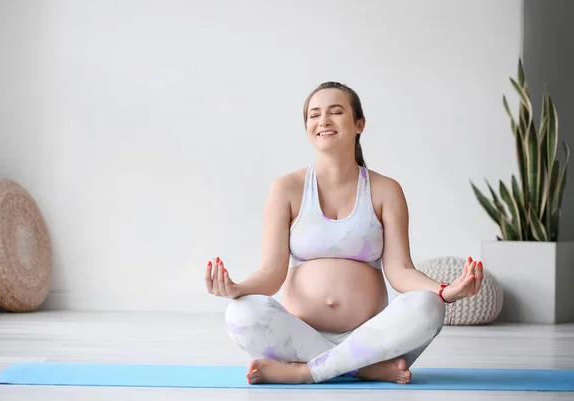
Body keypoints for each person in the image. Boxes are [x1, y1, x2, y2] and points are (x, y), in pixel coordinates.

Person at [204, 81, 484, 385]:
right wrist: (236, 288)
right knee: (240, 313)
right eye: (314, 115)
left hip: (372, 338)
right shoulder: (286, 189)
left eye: (335, 112)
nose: (323, 120)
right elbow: (272, 273)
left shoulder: (385, 190)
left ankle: (306, 372)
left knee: (429, 306)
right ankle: (362, 369)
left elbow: (400, 270)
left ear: (359, 124)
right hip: (301, 336)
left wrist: (445, 291)